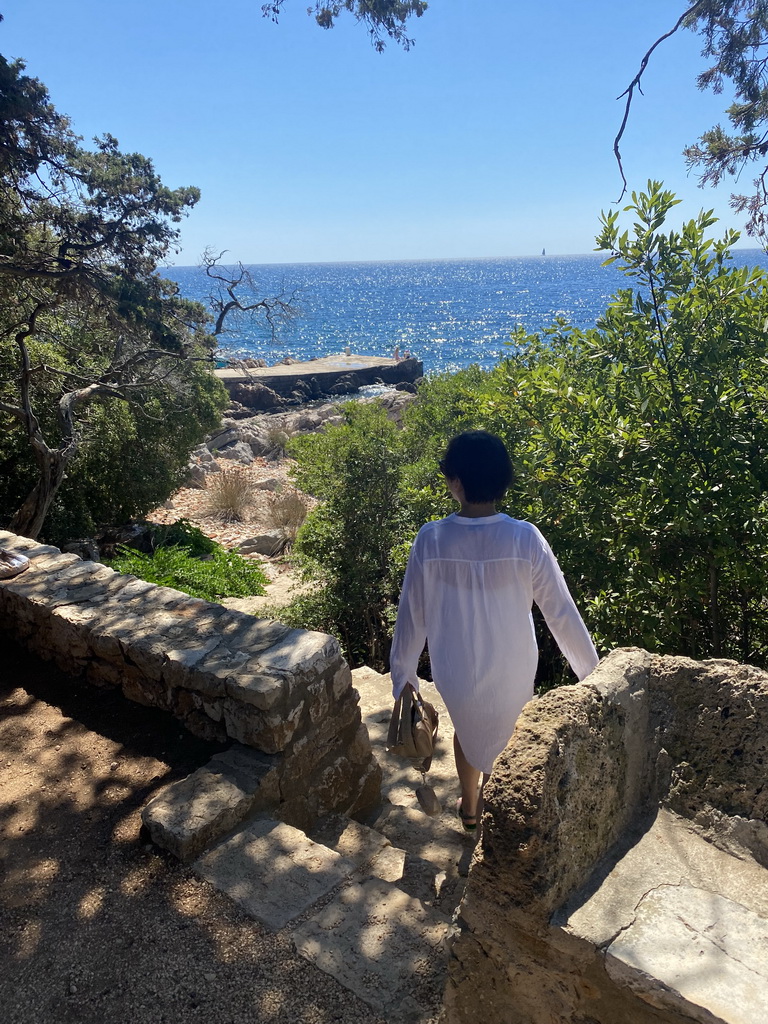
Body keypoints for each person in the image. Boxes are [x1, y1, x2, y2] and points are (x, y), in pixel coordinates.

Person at [389, 430, 599, 833]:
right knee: (509, 740)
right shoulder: (525, 538)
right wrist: (592, 675)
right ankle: (497, 809)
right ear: (503, 480)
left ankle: (470, 809)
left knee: (469, 731)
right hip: (514, 667)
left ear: (456, 482)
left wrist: (404, 677)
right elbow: (560, 613)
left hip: (456, 670)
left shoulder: (430, 539)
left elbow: (411, 616)